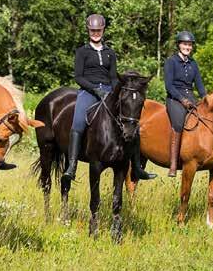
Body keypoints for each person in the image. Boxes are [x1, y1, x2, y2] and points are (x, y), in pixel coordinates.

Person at [62, 14, 156, 182]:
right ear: (88, 31)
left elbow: (113, 77)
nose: (96, 33)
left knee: (132, 121)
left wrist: (115, 90)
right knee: (78, 122)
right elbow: (78, 77)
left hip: (108, 91)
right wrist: (94, 90)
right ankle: (72, 165)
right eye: (93, 30)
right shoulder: (82, 52)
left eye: (98, 30)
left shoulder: (109, 53)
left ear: (103, 30)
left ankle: (137, 168)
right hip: (88, 91)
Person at [164, 31, 207, 177]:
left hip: (191, 98)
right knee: (178, 124)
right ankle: (173, 164)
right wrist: (182, 100)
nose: (187, 47)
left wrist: (206, 99)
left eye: (189, 45)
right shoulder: (171, 61)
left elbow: (199, 86)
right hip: (174, 98)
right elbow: (169, 86)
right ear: (179, 45)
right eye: (184, 44)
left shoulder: (193, 63)